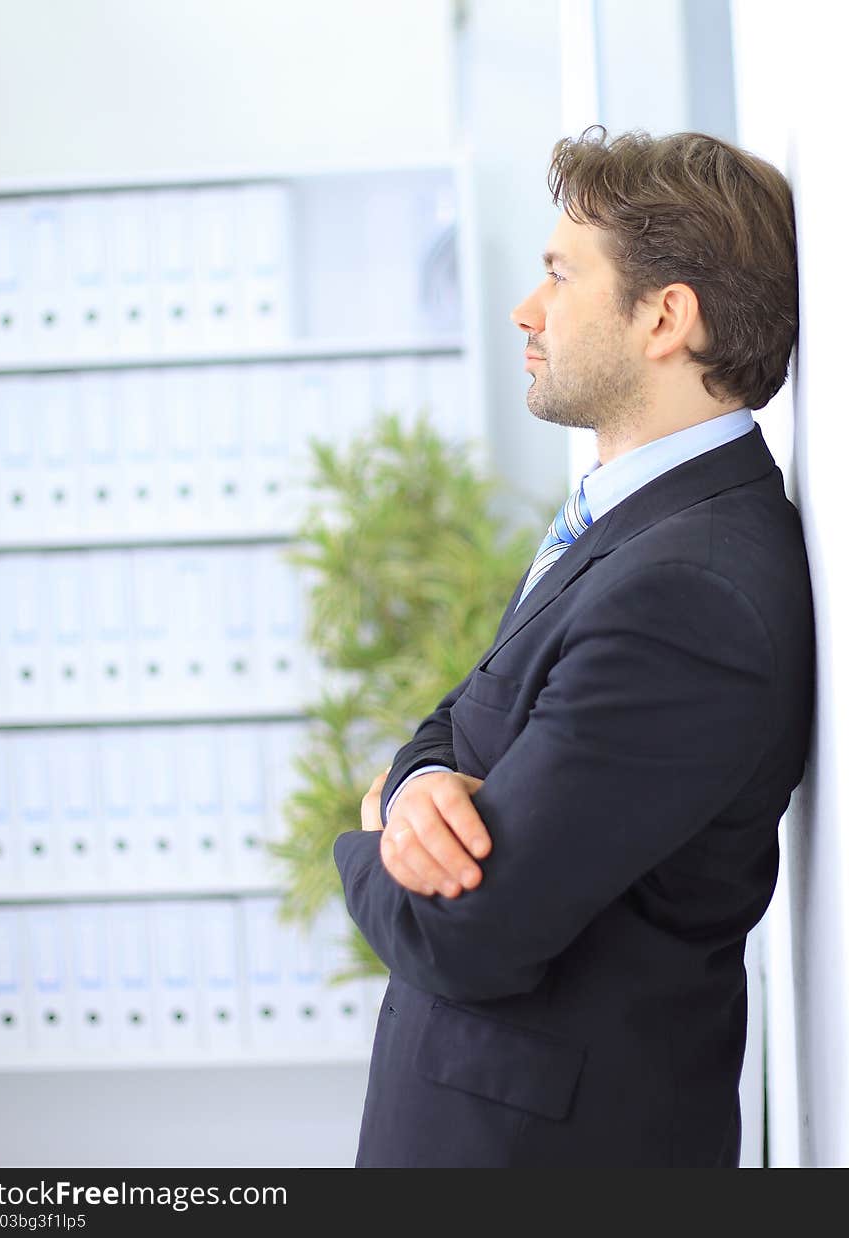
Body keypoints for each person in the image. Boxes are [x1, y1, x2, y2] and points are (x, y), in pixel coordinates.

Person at [332, 125, 815, 1168]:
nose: (525, 308)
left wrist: (371, 819)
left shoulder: (691, 589)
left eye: (559, 273)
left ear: (665, 317)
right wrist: (419, 784)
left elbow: (461, 929)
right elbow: (459, 717)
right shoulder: (630, 524)